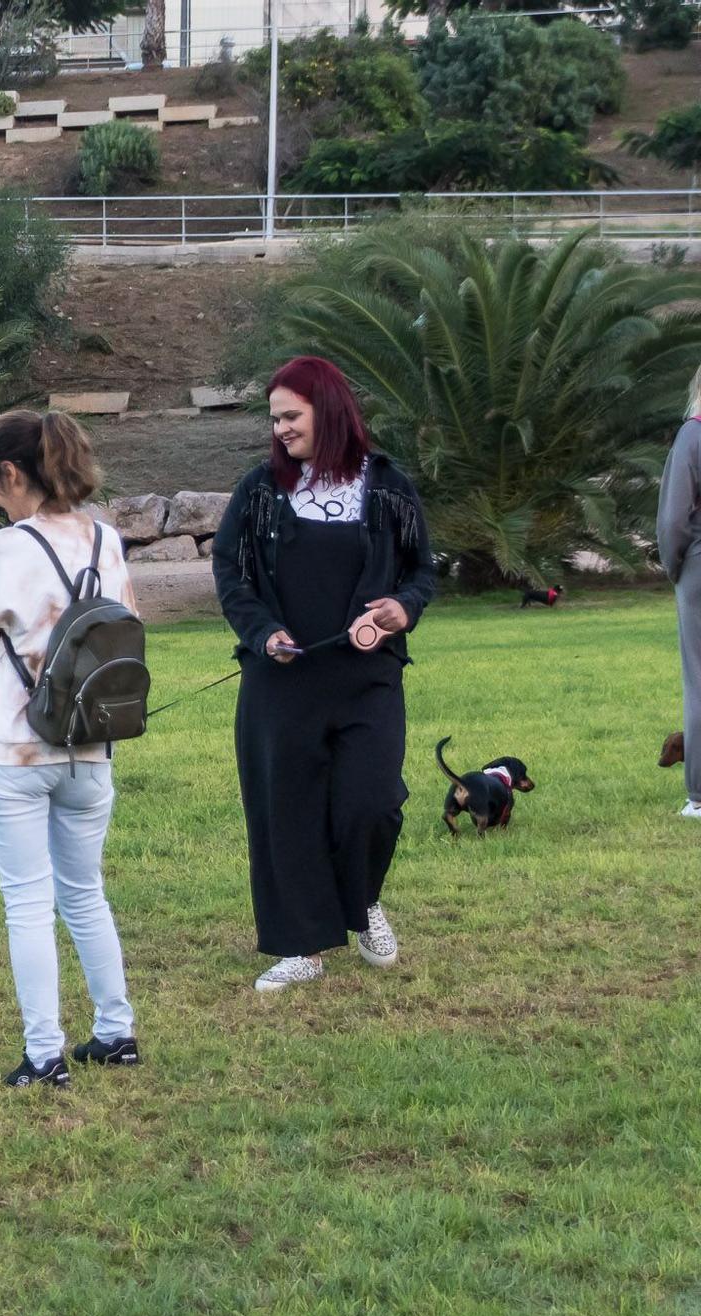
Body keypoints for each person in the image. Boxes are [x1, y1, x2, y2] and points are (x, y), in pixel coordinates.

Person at [212, 355, 436, 993]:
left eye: (291, 415)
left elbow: (421, 571)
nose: (280, 428)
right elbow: (230, 571)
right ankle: (303, 947)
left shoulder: (388, 486)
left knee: (373, 802)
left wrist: (403, 608)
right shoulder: (260, 489)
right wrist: (262, 634)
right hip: (280, 682)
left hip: (368, 679)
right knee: (289, 812)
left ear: (328, 410)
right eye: (275, 418)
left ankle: (362, 902)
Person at [0, 410, 139, 1090]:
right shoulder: (107, 541)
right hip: (92, 740)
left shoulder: (7, 549)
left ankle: (45, 1051)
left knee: (27, 900)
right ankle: (116, 1030)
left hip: (13, 744)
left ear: (9, 475)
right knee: (86, 891)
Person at [657, 363, 701, 820]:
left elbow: (673, 521)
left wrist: (676, 567)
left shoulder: (694, 434)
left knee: (700, 680)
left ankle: (700, 796)